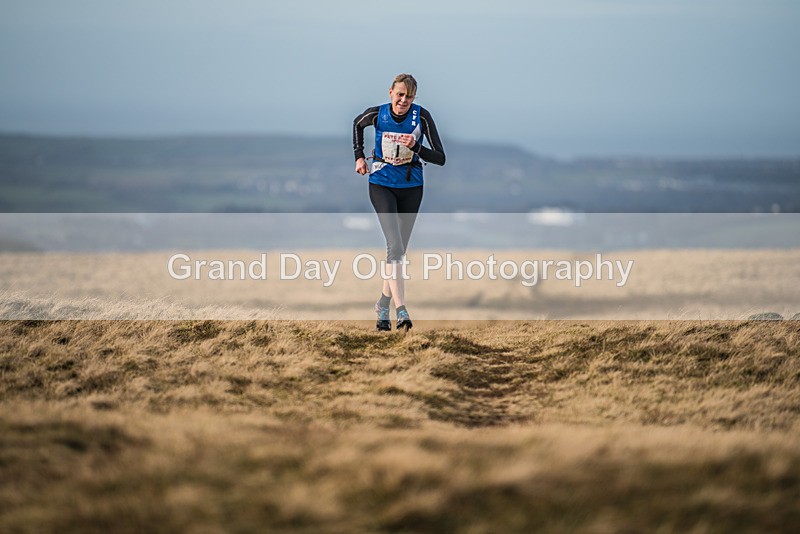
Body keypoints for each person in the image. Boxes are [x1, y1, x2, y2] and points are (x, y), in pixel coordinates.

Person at [352, 73, 446, 332]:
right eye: (400, 94)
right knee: (394, 246)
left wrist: (416, 147)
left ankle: (382, 304)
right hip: (381, 184)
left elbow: (440, 157)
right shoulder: (377, 114)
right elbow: (357, 124)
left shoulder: (422, 117)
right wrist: (359, 157)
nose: (404, 100)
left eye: (409, 96)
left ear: (414, 98)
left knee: (399, 252)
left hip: (411, 187)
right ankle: (401, 310)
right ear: (391, 92)